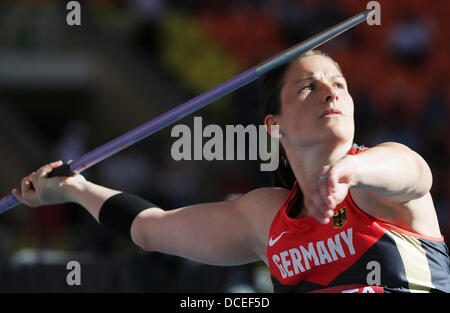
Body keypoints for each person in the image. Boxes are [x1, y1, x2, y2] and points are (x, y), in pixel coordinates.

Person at [12, 50, 450, 293]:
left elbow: (413, 174)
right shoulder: (264, 217)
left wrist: (347, 171)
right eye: (308, 87)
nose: (329, 94)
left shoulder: (380, 175)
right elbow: (151, 228)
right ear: (273, 125)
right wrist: (75, 189)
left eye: (339, 84)